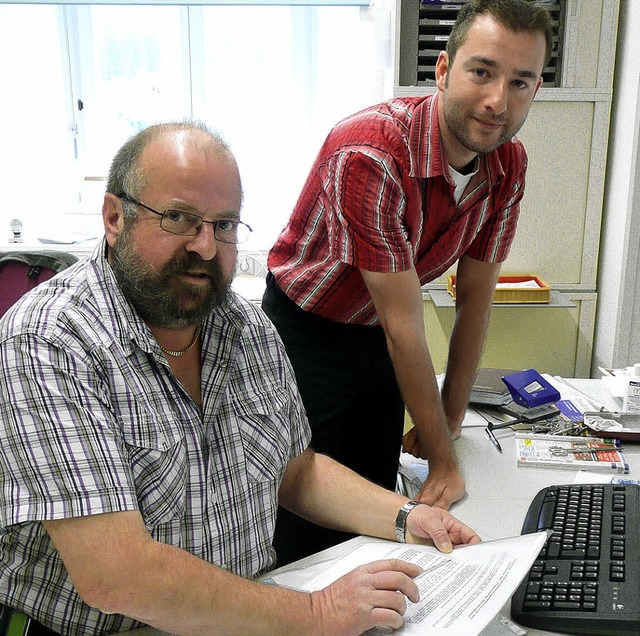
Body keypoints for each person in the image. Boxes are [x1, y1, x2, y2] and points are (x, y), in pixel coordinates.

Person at [0, 122, 480, 636]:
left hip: (244, 617)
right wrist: (317, 614)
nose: (206, 247)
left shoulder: (243, 326)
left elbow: (296, 471)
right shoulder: (48, 340)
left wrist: (407, 517)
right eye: (179, 218)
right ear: (115, 218)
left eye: (224, 224)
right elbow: (116, 576)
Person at [262, 0, 552, 565]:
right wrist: (443, 458)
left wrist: (445, 418)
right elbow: (404, 325)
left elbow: (475, 299)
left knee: (375, 504)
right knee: (300, 502)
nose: (498, 101)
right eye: (482, 71)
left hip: (379, 331)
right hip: (307, 329)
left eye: (521, 81)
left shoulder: (508, 165)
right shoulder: (371, 150)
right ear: (443, 70)